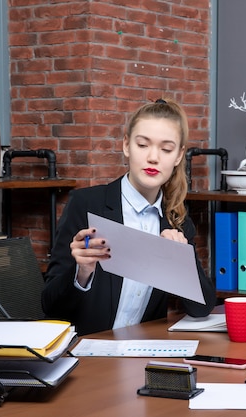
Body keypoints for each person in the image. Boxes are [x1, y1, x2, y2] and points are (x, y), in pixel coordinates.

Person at [42, 98, 216, 336]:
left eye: (166, 149)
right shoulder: (86, 205)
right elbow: (50, 306)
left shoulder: (177, 220)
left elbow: (202, 308)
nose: (153, 157)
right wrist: (81, 272)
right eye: (143, 145)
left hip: (139, 355)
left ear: (178, 156)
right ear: (126, 145)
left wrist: (181, 261)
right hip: (84, 354)